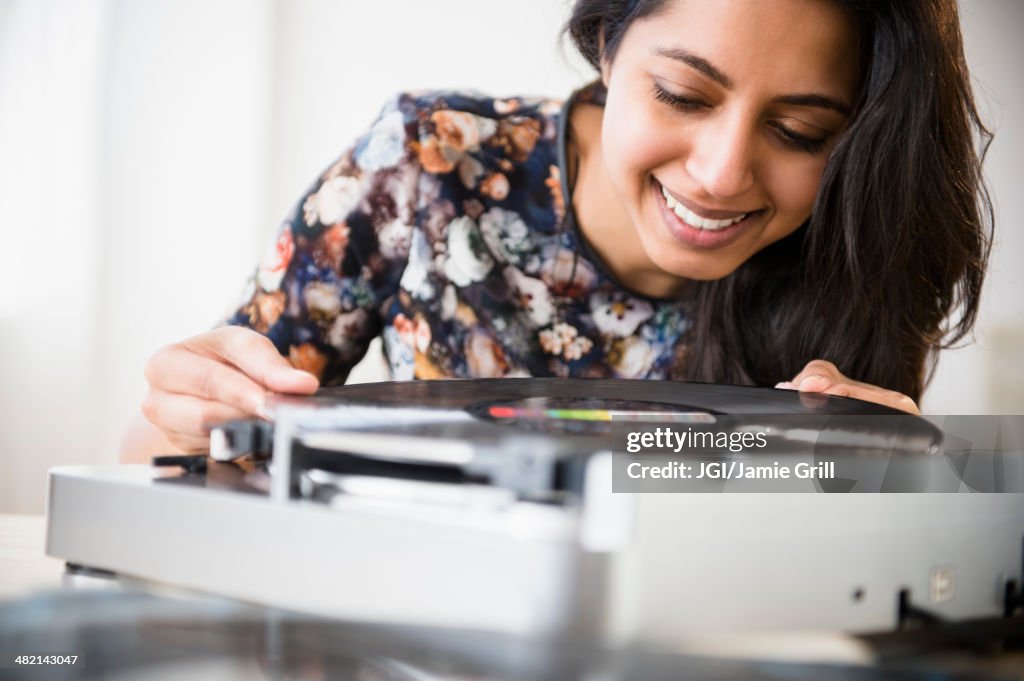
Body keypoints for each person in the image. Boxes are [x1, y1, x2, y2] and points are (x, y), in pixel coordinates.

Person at [124, 0, 992, 459]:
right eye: (683, 96)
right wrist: (182, 417)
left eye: (801, 132)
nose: (722, 173)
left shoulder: (862, 234)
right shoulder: (429, 161)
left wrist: (889, 481)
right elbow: (152, 457)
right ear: (608, 45)